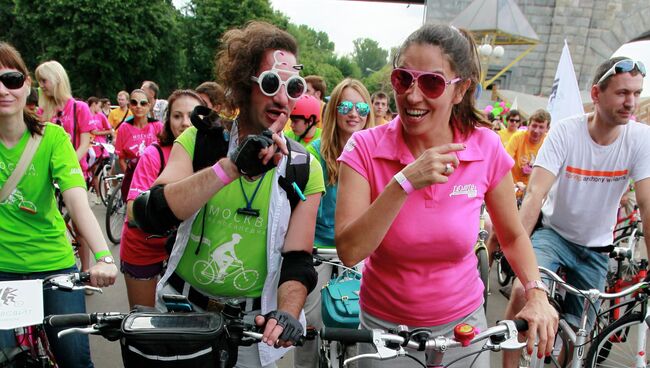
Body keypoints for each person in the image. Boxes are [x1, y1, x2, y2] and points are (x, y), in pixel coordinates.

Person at [335, 24, 558, 368]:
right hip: (386, 333)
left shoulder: (485, 146)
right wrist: (403, 183)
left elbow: (512, 236)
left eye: (431, 83)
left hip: (464, 330)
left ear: (460, 90)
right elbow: (349, 252)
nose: (412, 95)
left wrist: (536, 292)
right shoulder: (364, 147)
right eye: (403, 79)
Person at [138, 21, 325, 367]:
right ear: (243, 85)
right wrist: (230, 167)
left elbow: (298, 259)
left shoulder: (304, 165)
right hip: (183, 314)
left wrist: (286, 313)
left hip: (251, 330)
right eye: (271, 84)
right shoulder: (201, 140)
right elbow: (152, 213)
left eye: (293, 87)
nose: (282, 99)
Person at [498, 57, 650, 368]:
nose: (630, 102)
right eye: (622, 93)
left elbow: (647, 203)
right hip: (554, 235)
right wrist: (515, 255)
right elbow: (535, 194)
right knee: (519, 294)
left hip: (597, 247)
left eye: (636, 93)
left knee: (580, 333)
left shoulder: (640, 139)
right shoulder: (566, 132)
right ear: (596, 93)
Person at [0, 41, 118, 368]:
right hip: (1, 271)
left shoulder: (53, 138)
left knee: (74, 359)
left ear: (27, 86)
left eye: (10, 79)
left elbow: (77, 201)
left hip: (54, 265)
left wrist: (104, 257)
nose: (3, 90)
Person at [294, 78, 375, 368]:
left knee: (357, 327)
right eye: (346, 106)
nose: (354, 113)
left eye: (361, 106)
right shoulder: (315, 153)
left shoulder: (375, 154)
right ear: (334, 110)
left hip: (356, 251)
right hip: (319, 249)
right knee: (310, 327)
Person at [120, 89, 203, 309]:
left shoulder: (213, 157)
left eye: (192, 116)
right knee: (144, 322)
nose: (185, 123)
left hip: (184, 251)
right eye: (177, 116)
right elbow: (132, 210)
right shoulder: (154, 154)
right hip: (143, 248)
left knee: (180, 327)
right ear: (168, 120)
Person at [35, 60, 95, 273]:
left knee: (80, 223)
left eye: (44, 80)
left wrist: (67, 166)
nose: (41, 85)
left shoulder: (80, 107)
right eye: (39, 80)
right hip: (47, 175)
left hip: (73, 172)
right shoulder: (41, 111)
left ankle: (86, 270)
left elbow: (85, 142)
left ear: (57, 79)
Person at [114, 89, 163, 198]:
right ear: (130, 105)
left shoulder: (158, 126)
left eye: (143, 103)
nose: (138, 106)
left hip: (155, 177)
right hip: (132, 176)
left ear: (149, 105)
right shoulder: (124, 128)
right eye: (134, 103)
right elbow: (121, 157)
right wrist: (133, 177)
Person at [505, 109, 550, 191]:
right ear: (528, 125)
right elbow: (504, 162)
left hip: (534, 190)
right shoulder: (517, 137)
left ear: (547, 129)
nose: (536, 131)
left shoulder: (548, 143)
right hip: (513, 186)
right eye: (534, 126)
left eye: (541, 127)